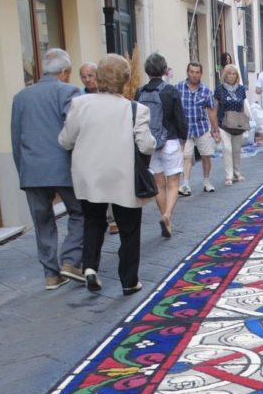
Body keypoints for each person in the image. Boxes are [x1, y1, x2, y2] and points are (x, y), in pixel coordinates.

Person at [58, 53, 156, 296]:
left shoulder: (80, 104)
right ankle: (128, 280)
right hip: (123, 175)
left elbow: (65, 140)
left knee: (92, 221)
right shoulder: (136, 110)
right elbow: (145, 145)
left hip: (89, 175)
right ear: (125, 80)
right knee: (129, 229)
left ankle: (90, 267)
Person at [10, 48, 85, 290]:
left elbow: (15, 137)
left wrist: (22, 169)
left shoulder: (21, 97)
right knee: (80, 212)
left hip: (32, 169)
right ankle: (71, 260)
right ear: (64, 72)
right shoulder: (68, 91)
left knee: (42, 220)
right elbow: (73, 130)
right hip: (63, 166)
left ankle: (51, 275)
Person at [136, 52, 187, 239]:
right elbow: (180, 118)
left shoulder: (140, 92)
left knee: (159, 184)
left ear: (147, 70)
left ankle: (165, 217)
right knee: (173, 182)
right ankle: (167, 216)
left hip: (151, 142)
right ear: (165, 70)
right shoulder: (170, 91)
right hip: (170, 140)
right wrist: (184, 137)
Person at [178, 62, 219, 195]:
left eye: (197, 72)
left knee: (206, 156)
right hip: (185, 128)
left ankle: (206, 181)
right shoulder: (178, 88)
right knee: (186, 156)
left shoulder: (206, 90)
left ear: (201, 74)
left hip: (201, 127)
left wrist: (215, 129)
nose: (194, 75)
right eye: (192, 72)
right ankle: (185, 184)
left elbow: (211, 111)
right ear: (187, 72)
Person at [214, 63, 251, 186]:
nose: (231, 76)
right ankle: (229, 175)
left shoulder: (241, 89)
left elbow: (243, 106)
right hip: (223, 123)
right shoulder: (219, 89)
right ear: (225, 75)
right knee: (227, 149)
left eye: (234, 73)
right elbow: (215, 107)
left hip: (237, 124)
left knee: (236, 149)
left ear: (237, 76)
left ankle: (237, 172)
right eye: (229, 73)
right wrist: (213, 126)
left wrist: (246, 120)